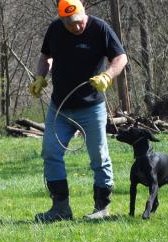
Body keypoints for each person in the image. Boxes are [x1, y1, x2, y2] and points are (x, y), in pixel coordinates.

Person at [29, 0, 128, 222]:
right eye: (71, 24)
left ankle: (102, 208)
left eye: (80, 22)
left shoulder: (100, 28)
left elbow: (121, 58)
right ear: (62, 20)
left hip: (91, 107)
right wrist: (40, 76)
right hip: (60, 107)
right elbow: (46, 56)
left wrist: (107, 76)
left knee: (98, 157)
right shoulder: (55, 29)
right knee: (51, 152)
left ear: (85, 13)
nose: (77, 27)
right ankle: (60, 209)